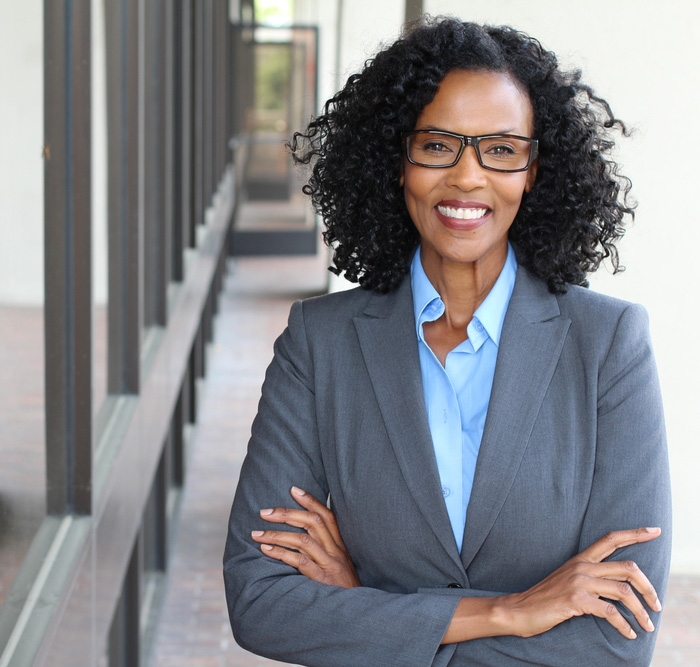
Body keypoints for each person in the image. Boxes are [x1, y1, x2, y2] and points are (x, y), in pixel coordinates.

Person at [223, 17, 671, 666]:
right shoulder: (318, 346)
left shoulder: (608, 348)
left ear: (533, 170)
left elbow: (617, 641)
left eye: (501, 149)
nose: (467, 177)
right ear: (397, 158)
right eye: (437, 146)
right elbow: (260, 600)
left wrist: (367, 606)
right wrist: (507, 612)